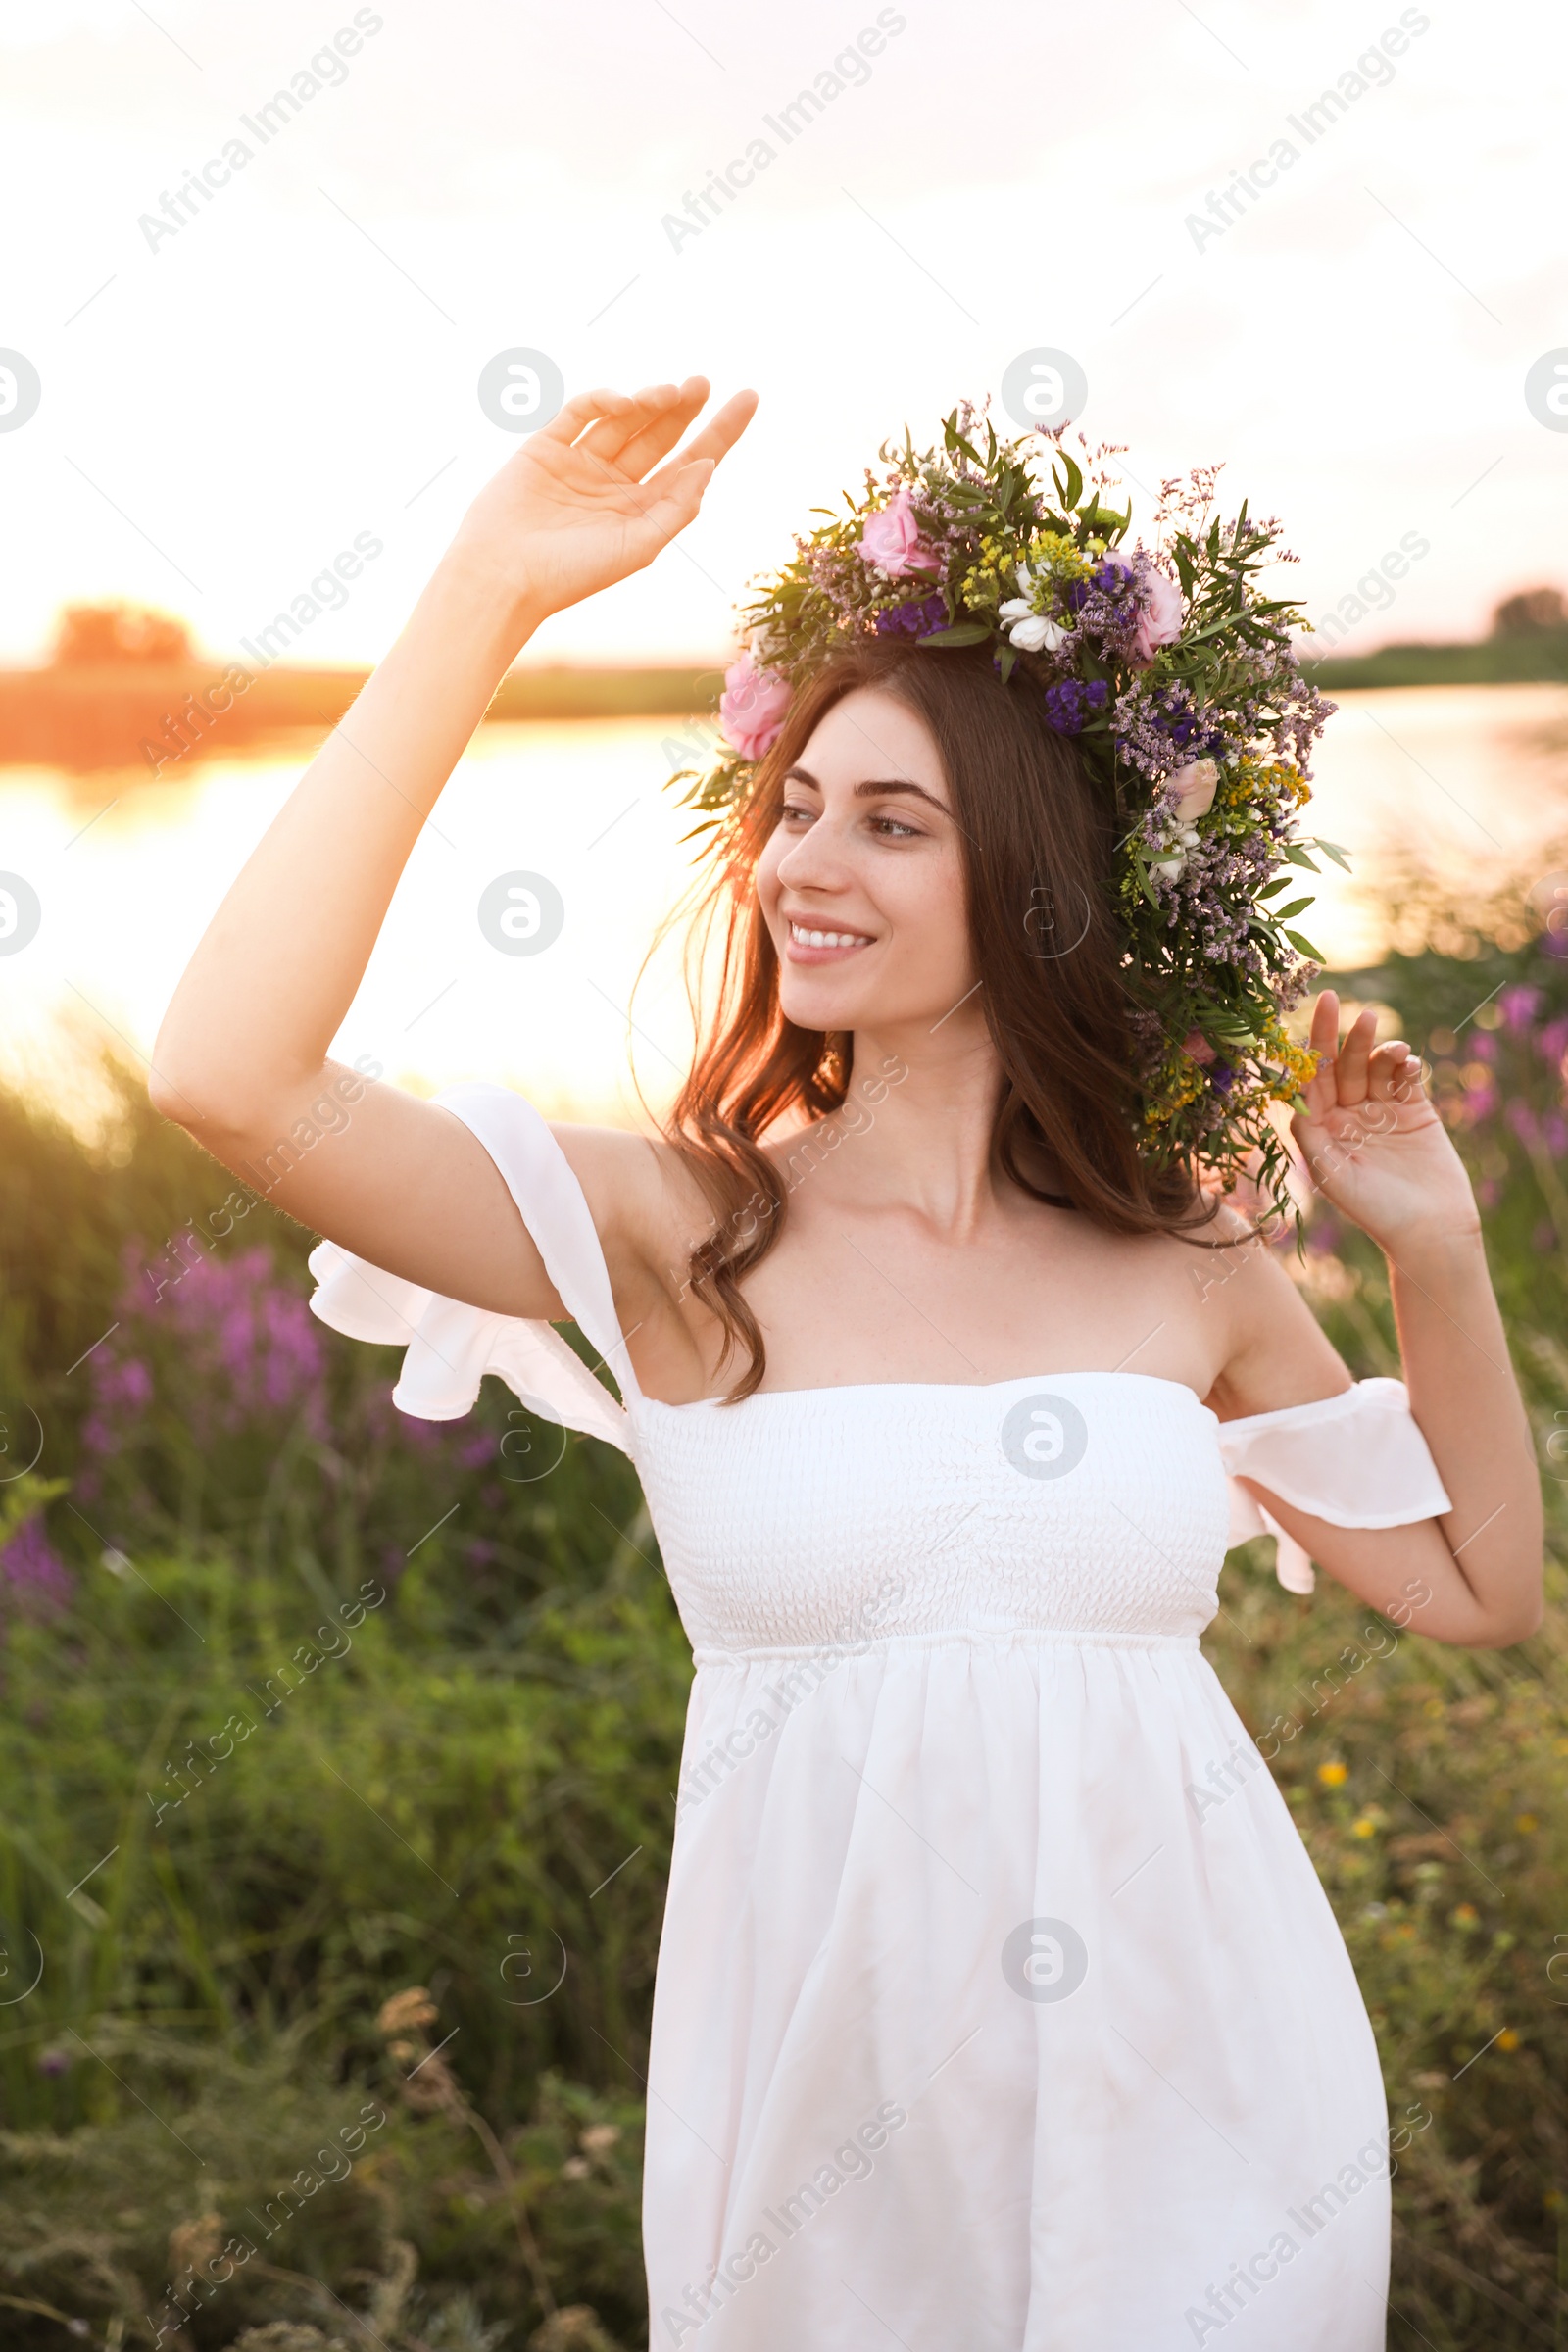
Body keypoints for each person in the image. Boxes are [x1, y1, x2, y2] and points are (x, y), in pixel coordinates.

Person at [152, 379, 1544, 2350]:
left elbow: (1476, 1588)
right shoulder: (675, 1235)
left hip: (1203, 2130)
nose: (806, 860)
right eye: (794, 805)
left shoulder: (1184, 1264)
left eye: (892, 822)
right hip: (824, 2173)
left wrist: (1429, 1246)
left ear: (1044, 886)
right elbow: (224, 1073)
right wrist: (481, 595)